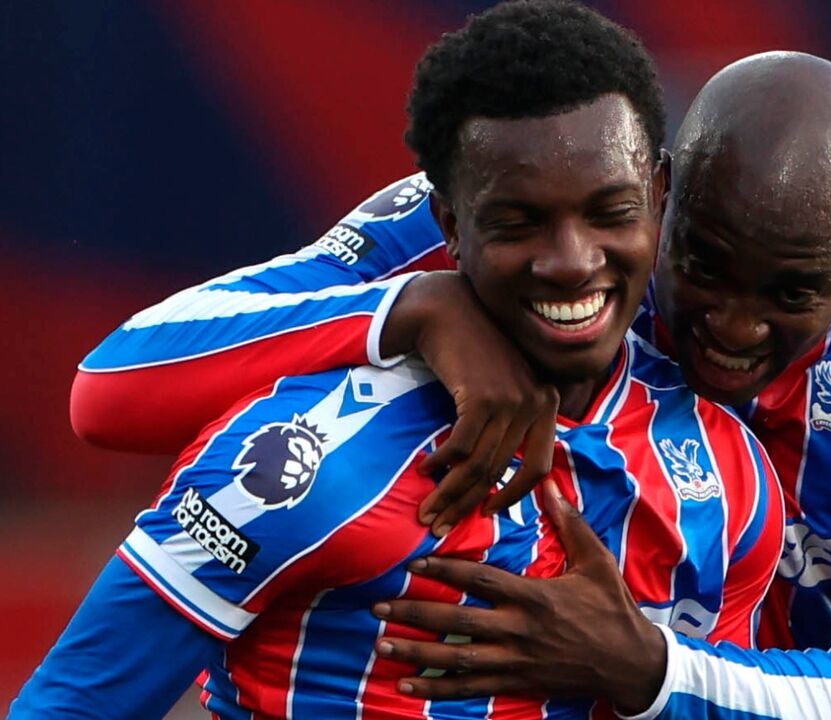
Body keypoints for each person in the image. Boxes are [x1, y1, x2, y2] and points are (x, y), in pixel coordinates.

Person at [65, 39, 831, 720]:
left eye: (792, 291)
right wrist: (415, 308)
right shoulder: (538, 206)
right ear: (664, 192)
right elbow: (112, 385)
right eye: (702, 266)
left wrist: (646, 668)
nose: (734, 326)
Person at [11, 3, 788, 717]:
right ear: (448, 223)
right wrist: (412, 307)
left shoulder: (729, 477)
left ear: (658, 194)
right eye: (517, 224)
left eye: (609, 213)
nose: (571, 261)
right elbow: (75, 703)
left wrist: (644, 672)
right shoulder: (308, 459)